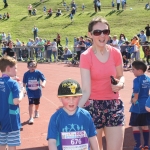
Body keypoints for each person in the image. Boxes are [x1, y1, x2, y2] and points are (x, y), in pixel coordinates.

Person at [79, 16, 125, 150]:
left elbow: (121, 76)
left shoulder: (116, 53)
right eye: (97, 32)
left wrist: (120, 84)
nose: (102, 35)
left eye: (105, 31)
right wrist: (72, 111)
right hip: (92, 107)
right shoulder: (86, 56)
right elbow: (86, 90)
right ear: (90, 35)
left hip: (114, 105)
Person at [47, 78, 100, 150]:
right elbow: (52, 141)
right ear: (60, 98)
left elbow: (92, 137)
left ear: (80, 97)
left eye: (75, 97)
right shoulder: (56, 118)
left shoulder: (86, 115)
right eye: (67, 98)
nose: (71, 101)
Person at [0, 56, 24, 150]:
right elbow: (16, 101)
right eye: (15, 68)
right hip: (11, 120)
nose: (16, 70)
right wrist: (22, 91)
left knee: (2, 143)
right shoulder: (13, 83)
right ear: (8, 68)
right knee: (11, 144)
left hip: (1, 120)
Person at [129, 60, 150, 150]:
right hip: (146, 105)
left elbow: (136, 90)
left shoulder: (136, 80)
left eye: (133, 69)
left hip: (137, 107)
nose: (132, 71)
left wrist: (135, 98)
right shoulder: (148, 79)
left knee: (135, 126)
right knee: (145, 125)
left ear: (140, 71)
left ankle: (138, 145)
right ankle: (146, 145)